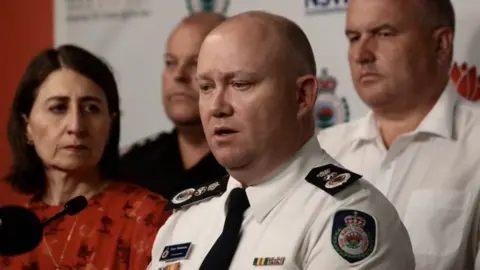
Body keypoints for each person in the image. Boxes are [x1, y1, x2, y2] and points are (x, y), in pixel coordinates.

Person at [148, 11, 415, 270]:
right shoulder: (185, 220)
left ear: (302, 96)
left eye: (240, 84)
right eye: (206, 87)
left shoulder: (347, 219)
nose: (217, 107)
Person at [317, 0, 480, 269]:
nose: (362, 54)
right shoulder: (323, 151)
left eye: (384, 34)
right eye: (354, 37)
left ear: (440, 44)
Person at [0, 44, 171, 270]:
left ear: (110, 124)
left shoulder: (148, 216)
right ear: (26, 126)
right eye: (58, 108)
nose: (76, 126)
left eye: (91, 108)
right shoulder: (10, 229)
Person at [120, 12, 227, 200]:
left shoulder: (251, 168)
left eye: (195, 63)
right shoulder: (131, 169)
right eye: (170, 62)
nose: (178, 75)